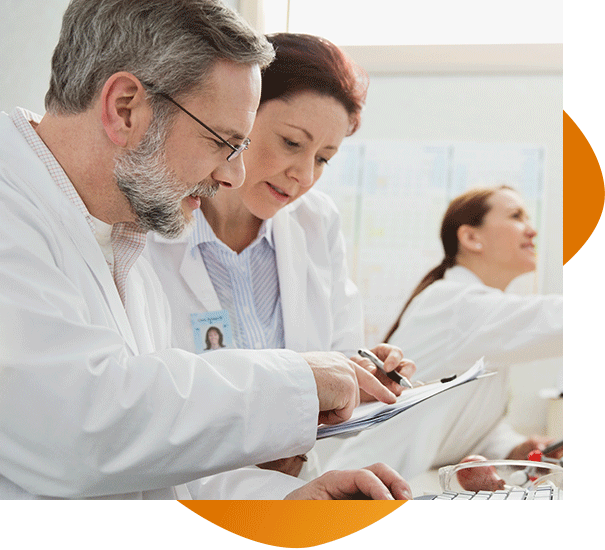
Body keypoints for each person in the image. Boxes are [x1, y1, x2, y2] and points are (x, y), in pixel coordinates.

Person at [0, 0, 412, 501]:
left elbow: (153, 461)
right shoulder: (13, 212)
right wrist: (297, 380)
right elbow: (77, 430)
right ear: (125, 107)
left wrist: (283, 501)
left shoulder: (122, 237)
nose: (231, 176)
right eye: (223, 142)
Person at [144, 32, 416, 481]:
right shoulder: (151, 229)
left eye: (324, 157)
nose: (304, 175)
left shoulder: (316, 223)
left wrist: (365, 377)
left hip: (298, 488)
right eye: (292, 143)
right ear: (240, 114)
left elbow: (335, 360)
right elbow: (147, 407)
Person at [318, 185, 562, 481]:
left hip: (392, 484)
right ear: (471, 237)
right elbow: (553, 320)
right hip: (362, 490)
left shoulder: (475, 314)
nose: (531, 230)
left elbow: (461, 422)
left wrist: (513, 448)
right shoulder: (456, 304)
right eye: (516, 216)